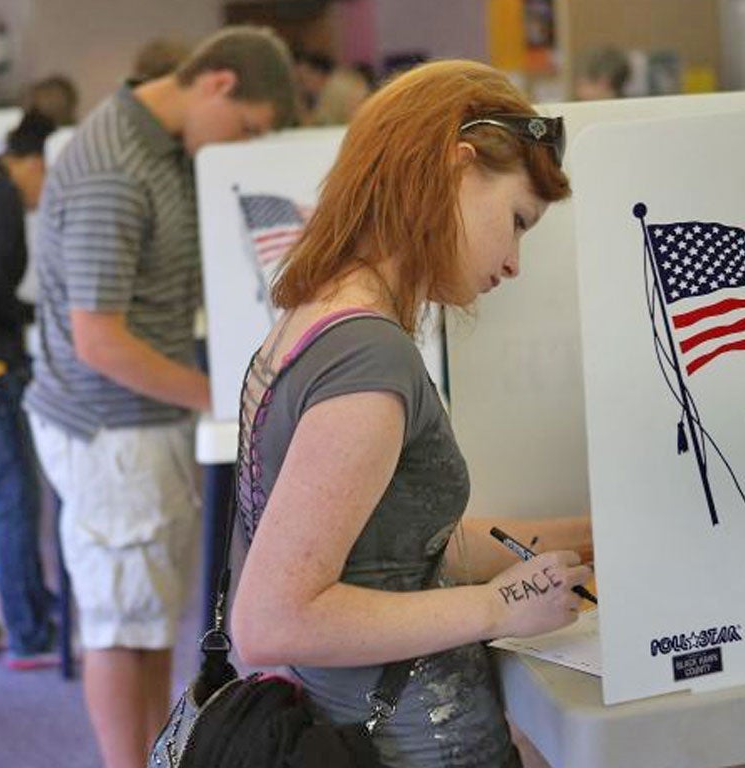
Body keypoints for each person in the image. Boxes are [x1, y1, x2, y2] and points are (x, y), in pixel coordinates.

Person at [229, 59, 592, 768]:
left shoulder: (318, 318)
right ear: (455, 170)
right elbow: (272, 619)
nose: (514, 262)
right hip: (408, 743)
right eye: (516, 221)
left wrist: (589, 537)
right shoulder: (371, 357)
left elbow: (392, 550)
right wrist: (497, 608)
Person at [24, 26, 296, 768]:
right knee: (119, 627)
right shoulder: (116, 166)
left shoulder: (164, 154)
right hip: (109, 432)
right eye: (244, 127)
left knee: (147, 625)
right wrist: (226, 396)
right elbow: (99, 340)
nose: (237, 145)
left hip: (144, 423)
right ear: (217, 84)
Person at [0, 109, 57, 671]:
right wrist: (41, 311)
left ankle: (33, 611)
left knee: (11, 501)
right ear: (33, 163)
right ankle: (30, 633)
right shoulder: (5, 194)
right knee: (15, 503)